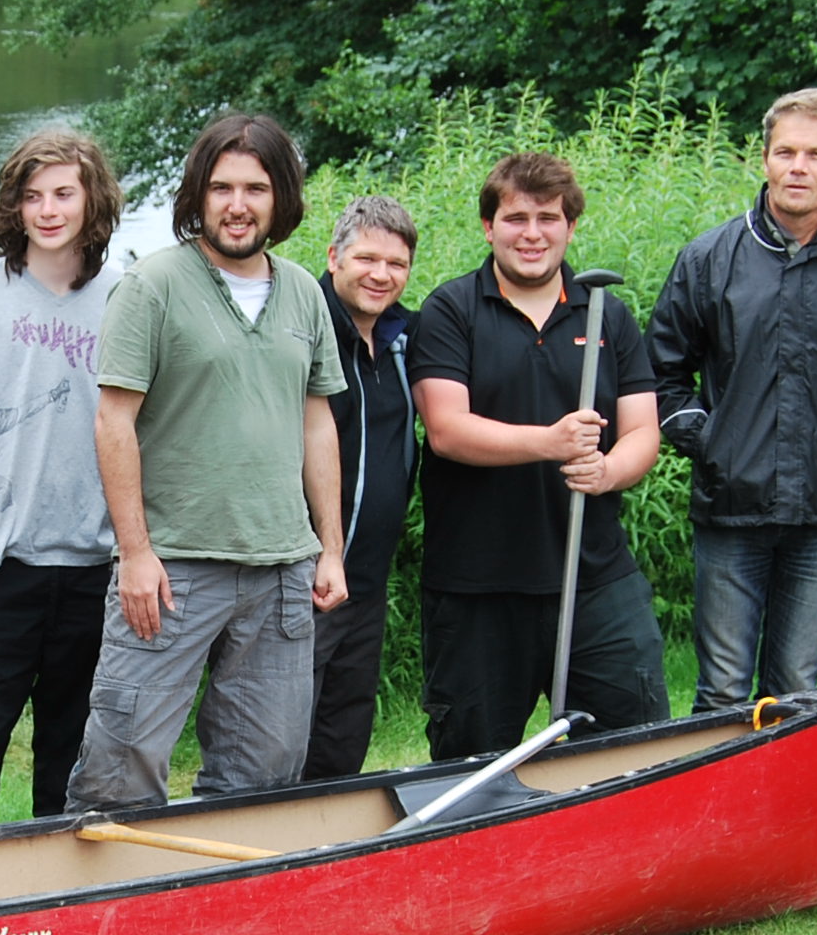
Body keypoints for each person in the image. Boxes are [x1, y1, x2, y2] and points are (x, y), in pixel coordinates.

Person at [68, 113, 347, 812]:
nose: (237, 204)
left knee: (267, 767)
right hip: (172, 569)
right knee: (123, 758)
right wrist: (135, 553)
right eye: (221, 187)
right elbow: (113, 421)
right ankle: (108, 905)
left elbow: (318, 425)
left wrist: (330, 548)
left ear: (281, 197)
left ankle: (223, 907)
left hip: (282, 568)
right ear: (198, 195)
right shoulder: (154, 285)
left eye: (255, 187)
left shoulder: (305, 293)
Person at [647, 87, 817, 714]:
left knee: (796, 686)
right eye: (786, 152)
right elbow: (660, 370)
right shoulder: (709, 260)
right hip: (730, 507)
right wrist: (707, 440)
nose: (800, 167)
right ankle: (713, 814)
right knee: (721, 689)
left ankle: (777, 814)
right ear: (764, 159)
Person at [411, 150, 668, 756]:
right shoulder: (450, 312)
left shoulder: (608, 314)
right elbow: (447, 429)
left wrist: (607, 472)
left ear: (571, 227)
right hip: (478, 586)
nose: (533, 234)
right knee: (471, 765)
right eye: (516, 218)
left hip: (595, 577)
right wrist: (549, 443)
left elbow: (643, 433)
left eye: (548, 218)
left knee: (632, 749)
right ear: (488, 226)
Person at [0, 128, 125, 828]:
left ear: (91, 198)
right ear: (13, 204)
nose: (47, 209)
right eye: (31, 195)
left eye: (64, 193)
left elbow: (143, 430)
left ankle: (54, 903)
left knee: (71, 757)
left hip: (95, 564)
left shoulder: (127, 294)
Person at [303, 195, 421, 781]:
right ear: (333, 257)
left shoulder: (405, 339)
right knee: (280, 737)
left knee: (343, 732)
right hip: (301, 577)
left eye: (396, 264)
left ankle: (331, 851)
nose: (381, 275)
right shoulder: (303, 325)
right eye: (366, 258)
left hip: (369, 577)